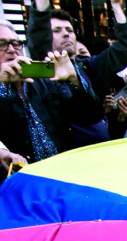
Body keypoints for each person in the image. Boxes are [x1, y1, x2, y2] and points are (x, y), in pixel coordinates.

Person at [0, 22, 103, 167]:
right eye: (2, 44)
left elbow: (91, 116)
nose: (11, 49)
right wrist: (2, 86)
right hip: (19, 182)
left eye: (15, 43)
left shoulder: (45, 82)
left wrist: (75, 82)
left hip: (60, 175)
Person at [27, 0, 127, 111]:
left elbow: (126, 49)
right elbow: (38, 36)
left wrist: (116, 6)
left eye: (70, 30)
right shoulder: (42, 69)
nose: (66, 34)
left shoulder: (87, 65)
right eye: (57, 30)